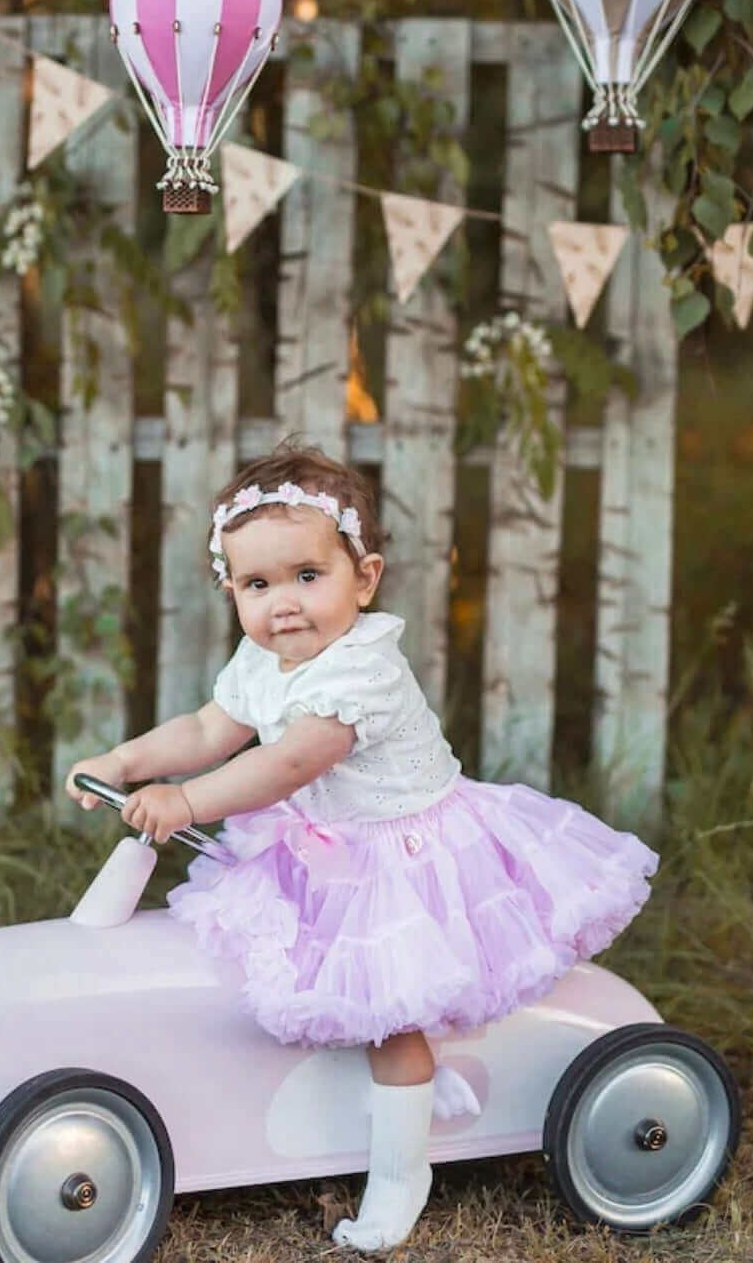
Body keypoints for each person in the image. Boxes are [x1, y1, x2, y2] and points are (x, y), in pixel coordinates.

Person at [67, 438, 658, 1252]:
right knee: (283, 965)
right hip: (327, 846)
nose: (284, 604)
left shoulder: (362, 671)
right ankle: (301, 1099)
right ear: (231, 589)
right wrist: (127, 763)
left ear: (364, 578)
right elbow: (212, 727)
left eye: (308, 577)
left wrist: (189, 800)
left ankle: (400, 1166)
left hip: (407, 857)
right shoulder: (264, 656)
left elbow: (289, 762)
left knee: (390, 1009)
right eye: (257, 584)